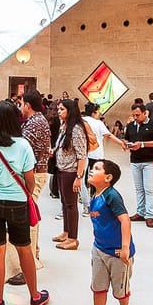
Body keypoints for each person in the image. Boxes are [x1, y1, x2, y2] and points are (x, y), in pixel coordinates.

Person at [0, 101, 49, 305]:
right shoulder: (23, 145)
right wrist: (27, 194)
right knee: (24, 248)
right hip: (17, 202)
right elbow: (30, 179)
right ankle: (35, 297)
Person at [81, 159, 134, 305]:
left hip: (119, 254)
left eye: (97, 169)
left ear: (108, 178)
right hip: (99, 250)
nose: (91, 171)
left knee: (120, 291)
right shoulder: (94, 195)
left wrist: (125, 247)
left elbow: (125, 220)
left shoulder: (112, 196)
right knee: (98, 286)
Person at [6, 91, 52, 286]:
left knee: (28, 217)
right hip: (36, 171)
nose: (20, 108)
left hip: (33, 174)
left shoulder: (34, 123)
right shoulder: (39, 120)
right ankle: (35, 253)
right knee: (31, 214)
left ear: (27, 105)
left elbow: (22, 150)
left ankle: (29, 264)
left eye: (21, 104)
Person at [52, 99, 88, 250]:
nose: (58, 111)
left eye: (62, 109)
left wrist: (79, 177)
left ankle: (73, 238)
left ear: (70, 111)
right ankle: (66, 232)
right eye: (58, 109)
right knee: (64, 203)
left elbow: (82, 155)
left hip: (71, 172)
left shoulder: (76, 129)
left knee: (71, 205)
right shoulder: (64, 126)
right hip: (61, 169)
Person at [122, 102, 153, 227]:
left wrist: (142, 144)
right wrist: (125, 144)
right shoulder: (130, 126)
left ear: (145, 113)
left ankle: (149, 215)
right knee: (139, 189)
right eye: (133, 115)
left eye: (138, 115)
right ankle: (140, 212)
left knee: (149, 189)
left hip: (149, 161)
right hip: (135, 161)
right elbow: (126, 138)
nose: (135, 117)